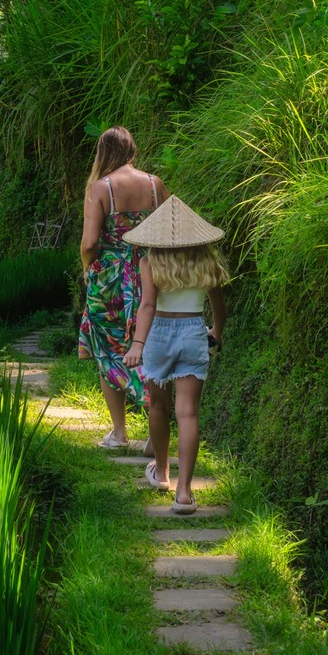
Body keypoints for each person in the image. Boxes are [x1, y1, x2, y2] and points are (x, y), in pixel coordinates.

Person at [121, 197, 230, 512]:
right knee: (188, 413)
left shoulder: (151, 261)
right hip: (194, 331)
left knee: (158, 405)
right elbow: (218, 306)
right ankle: (184, 493)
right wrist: (217, 332)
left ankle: (162, 472)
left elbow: (148, 306)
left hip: (159, 334)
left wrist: (138, 344)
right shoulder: (206, 261)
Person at [77, 127, 163, 454]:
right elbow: (167, 232)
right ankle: (157, 434)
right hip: (152, 273)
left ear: (102, 154)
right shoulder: (156, 185)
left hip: (109, 279)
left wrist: (89, 270)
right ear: (132, 150)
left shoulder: (100, 188)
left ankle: (119, 432)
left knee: (107, 349)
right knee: (151, 348)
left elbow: (89, 243)